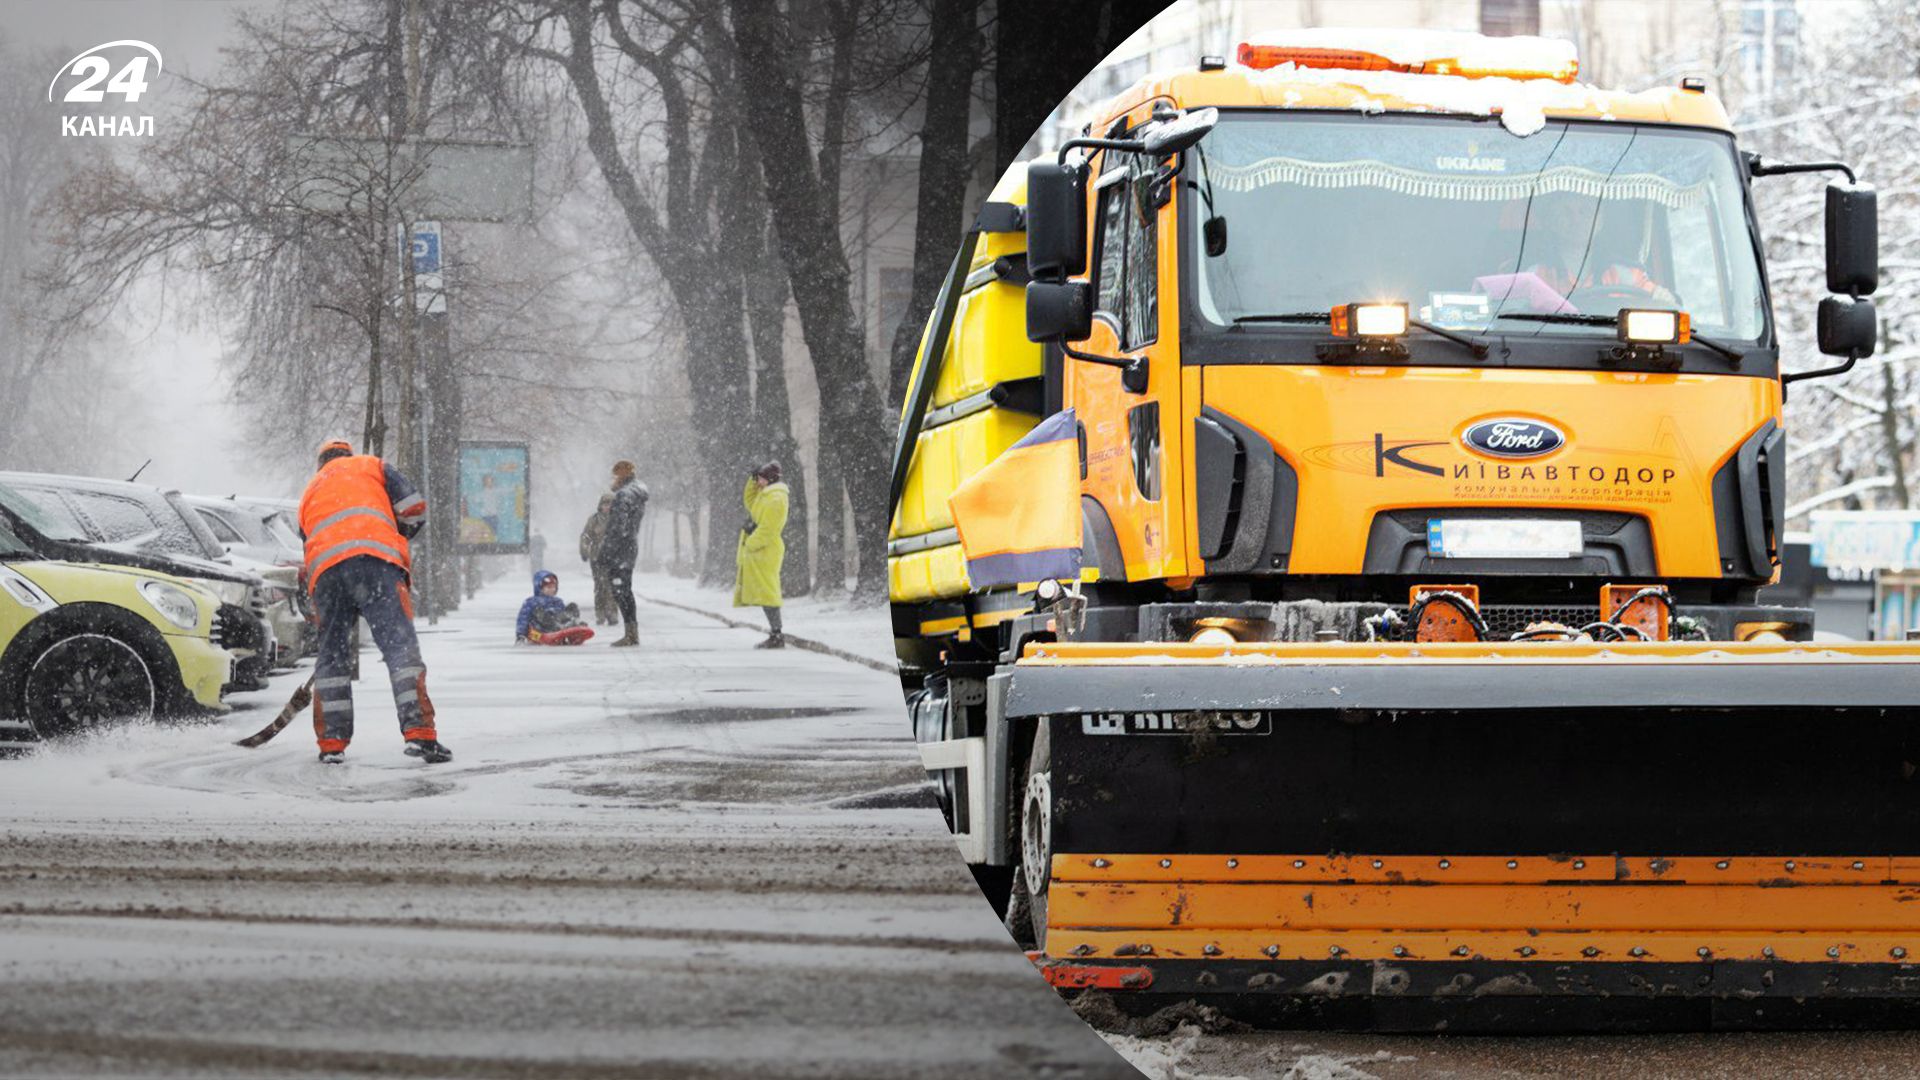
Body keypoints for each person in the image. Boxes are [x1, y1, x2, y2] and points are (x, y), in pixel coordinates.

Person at [298, 438, 451, 765]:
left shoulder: (310, 490)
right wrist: (395, 535)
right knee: (399, 648)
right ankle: (419, 733)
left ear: (321, 463)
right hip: (376, 564)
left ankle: (331, 743)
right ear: (347, 455)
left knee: (332, 657)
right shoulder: (372, 466)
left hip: (325, 573)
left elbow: (307, 540)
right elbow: (414, 507)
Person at [733, 461, 789, 649]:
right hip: (761, 550)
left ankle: (777, 634)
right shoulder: (766, 495)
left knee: (769, 592)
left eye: (760, 479)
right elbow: (750, 500)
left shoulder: (776, 499)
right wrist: (751, 479)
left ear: (770, 479)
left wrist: (751, 541)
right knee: (766, 592)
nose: (758, 482)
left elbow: (770, 528)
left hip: (765, 550)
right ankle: (775, 633)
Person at [594, 460, 647, 647]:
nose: (613, 479)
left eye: (615, 475)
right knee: (624, 591)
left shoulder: (623, 496)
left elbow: (618, 528)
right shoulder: (635, 494)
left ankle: (631, 634)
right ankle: (631, 633)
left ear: (622, 475)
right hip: (629, 547)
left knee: (620, 591)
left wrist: (605, 553)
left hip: (620, 550)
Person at [516, 570, 587, 643]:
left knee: (572, 606)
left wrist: (566, 617)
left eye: (554, 587)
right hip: (541, 629)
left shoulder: (558, 601)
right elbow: (523, 619)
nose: (552, 590)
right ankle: (558, 627)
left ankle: (573, 623)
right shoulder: (531, 601)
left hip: (558, 622)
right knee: (540, 611)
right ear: (540, 588)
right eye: (549, 587)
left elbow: (562, 614)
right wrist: (520, 635)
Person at [579, 493, 616, 625]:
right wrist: (584, 550)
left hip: (613, 559)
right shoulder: (594, 520)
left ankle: (612, 613)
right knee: (600, 586)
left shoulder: (617, 520)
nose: (607, 507)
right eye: (605, 504)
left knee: (612, 587)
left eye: (610, 504)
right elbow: (586, 536)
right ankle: (600, 614)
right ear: (600, 505)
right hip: (597, 558)